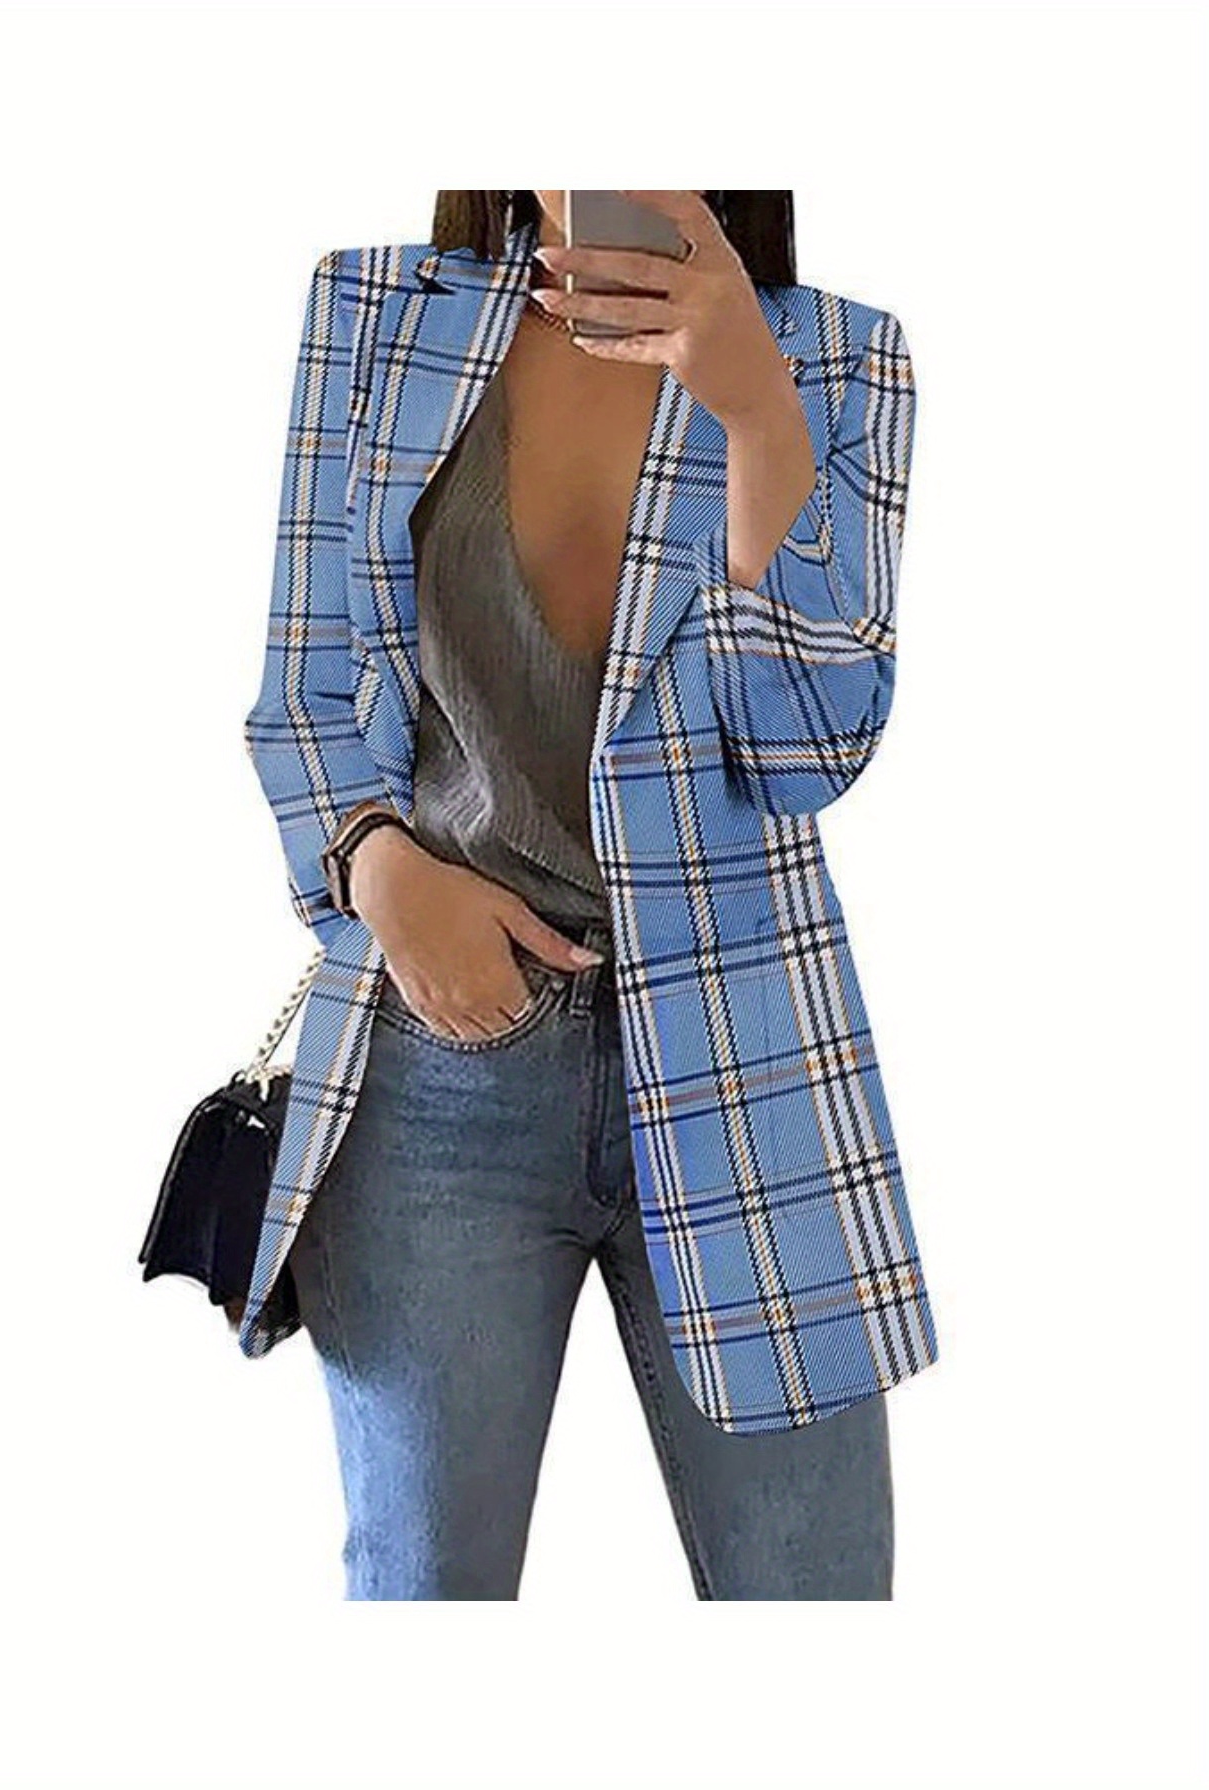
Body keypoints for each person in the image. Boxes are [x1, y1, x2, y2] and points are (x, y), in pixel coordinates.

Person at [241, 189, 939, 1600]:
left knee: (815, 1602)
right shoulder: (374, 312)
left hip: (746, 1067)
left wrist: (758, 415)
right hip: (441, 1070)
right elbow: (304, 698)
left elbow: (806, 753)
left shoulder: (839, 358)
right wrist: (384, 870)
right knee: (424, 1603)